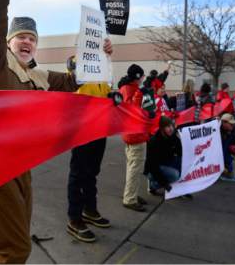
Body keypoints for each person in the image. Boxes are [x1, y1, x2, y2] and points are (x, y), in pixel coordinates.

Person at [0, 0, 113, 263]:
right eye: (21, 36)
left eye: (32, 38)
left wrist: (100, 57)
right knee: (14, 250)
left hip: (21, 165)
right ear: (9, 43)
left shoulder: (38, 75)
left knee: (19, 241)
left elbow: (73, 80)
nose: (27, 41)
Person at [65, 56, 112, 243]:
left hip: (100, 131)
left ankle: (89, 210)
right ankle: (74, 219)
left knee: (92, 172)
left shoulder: (103, 73)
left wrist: (113, 98)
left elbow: (106, 96)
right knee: (78, 174)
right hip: (82, 130)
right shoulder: (78, 63)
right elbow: (72, 75)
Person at [118, 64, 149, 212]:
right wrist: (140, 95)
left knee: (132, 166)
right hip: (135, 134)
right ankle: (130, 199)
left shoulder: (124, 88)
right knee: (134, 168)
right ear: (137, 77)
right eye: (141, 76)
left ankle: (132, 194)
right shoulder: (133, 91)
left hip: (130, 134)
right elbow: (133, 111)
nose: (143, 79)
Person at [144, 116, 181, 195]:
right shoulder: (154, 141)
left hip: (165, 162)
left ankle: (179, 187)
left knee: (182, 162)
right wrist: (164, 184)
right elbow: (152, 166)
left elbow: (180, 152)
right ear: (162, 129)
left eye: (171, 126)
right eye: (167, 126)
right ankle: (153, 186)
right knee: (175, 175)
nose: (171, 128)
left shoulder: (173, 136)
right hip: (153, 169)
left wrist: (179, 139)